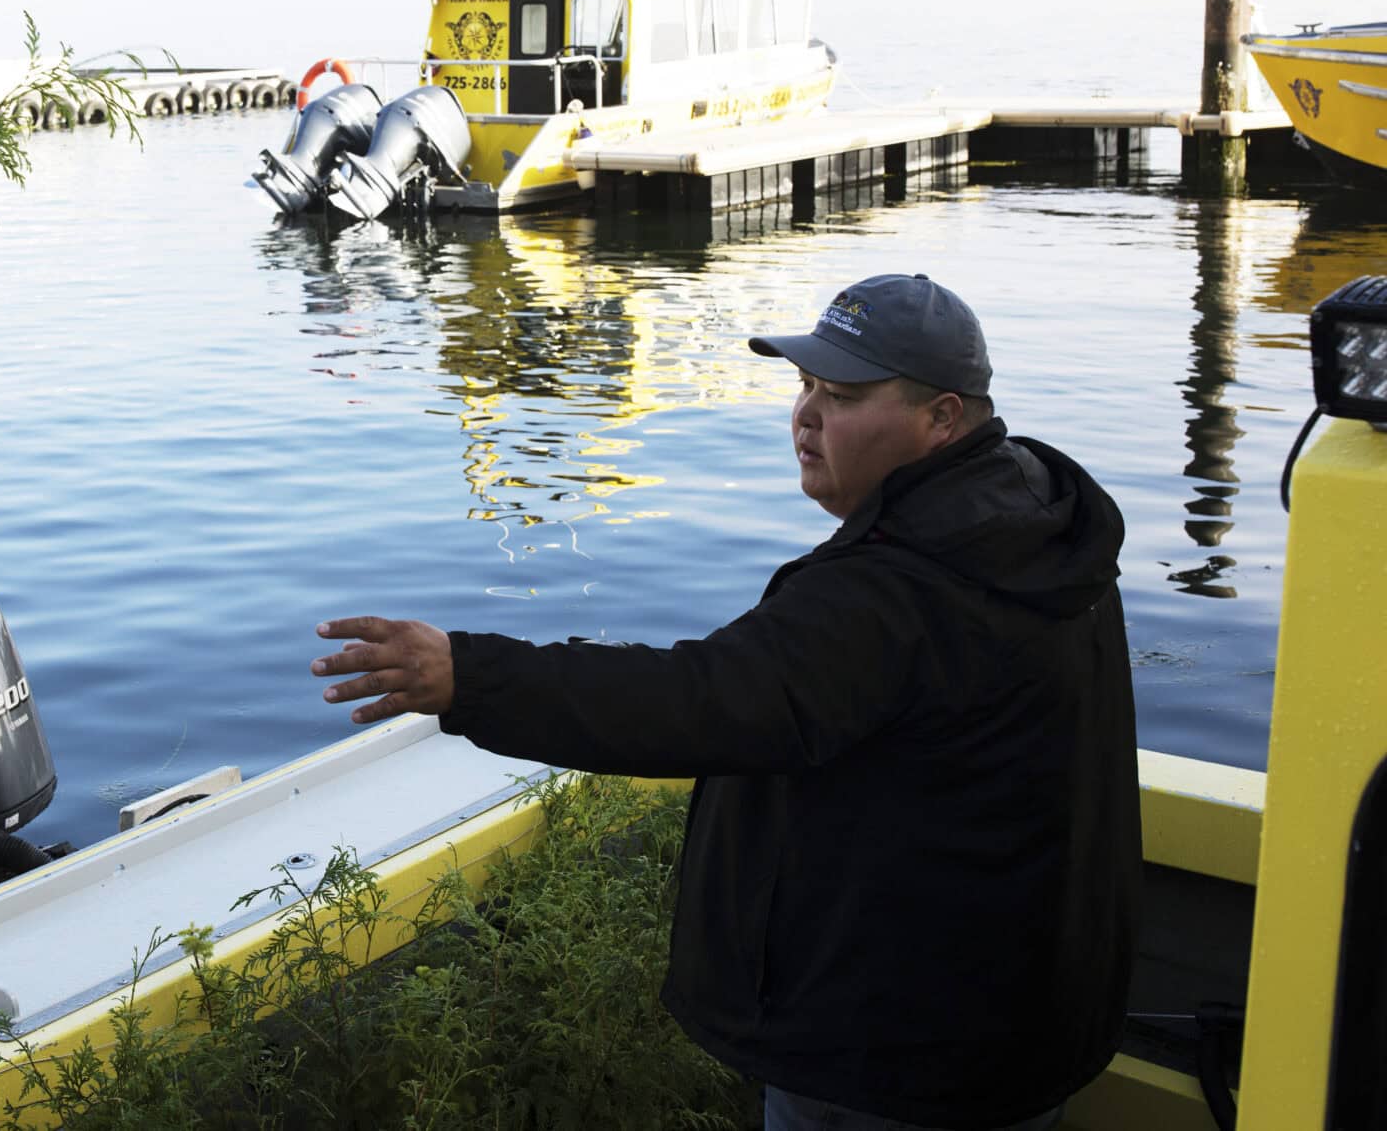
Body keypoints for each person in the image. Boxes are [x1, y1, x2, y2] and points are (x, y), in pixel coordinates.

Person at [310, 274, 1141, 1131]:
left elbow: (701, 699)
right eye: (806, 385)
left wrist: (469, 674)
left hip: (895, 1057)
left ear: (943, 417)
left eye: (845, 394)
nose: (807, 415)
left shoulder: (901, 590)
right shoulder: (1031, 519)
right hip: (1016, 1024)